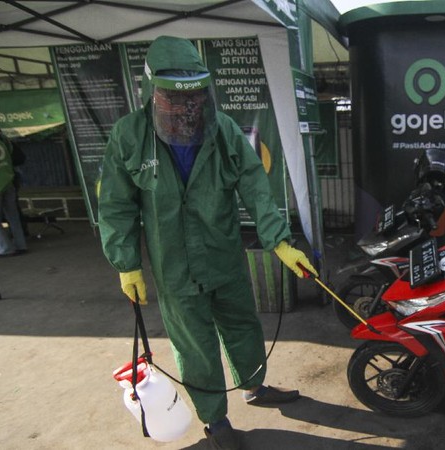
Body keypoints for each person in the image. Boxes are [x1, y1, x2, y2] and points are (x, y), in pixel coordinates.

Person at [98, 36, 317, 450]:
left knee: (243, 325)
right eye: (174, 100)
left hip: (223, 257)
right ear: (152, 92)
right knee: (195, 346)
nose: (186, 108)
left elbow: (254, 183)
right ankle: (216, 421)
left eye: (195, 97)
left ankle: (256, 386)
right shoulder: (129, 137)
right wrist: (126, 264)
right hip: (175, 268)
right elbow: (115, 206)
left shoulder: (223, 131)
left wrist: (278, 240)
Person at [0, 128, 28, 257]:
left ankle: (6, 248)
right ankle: (21, 245)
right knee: (13, 216)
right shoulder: (2, 139)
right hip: (9, 180)